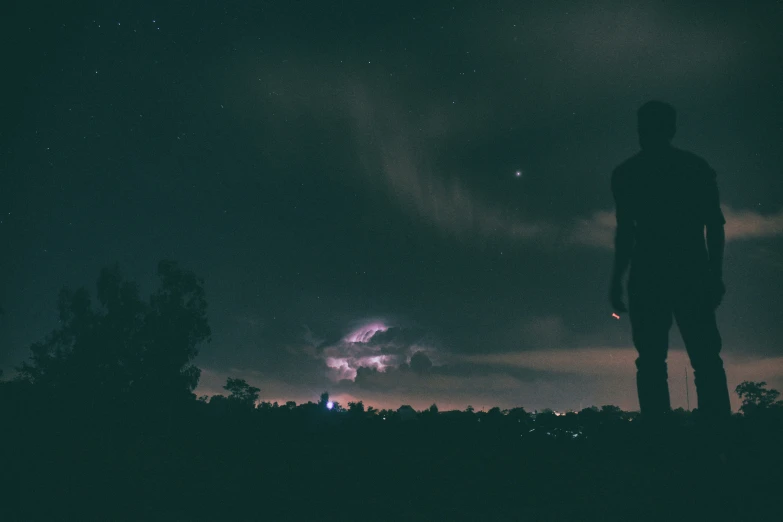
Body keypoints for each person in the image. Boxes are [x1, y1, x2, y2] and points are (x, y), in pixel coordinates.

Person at [609, 100, 731, 430]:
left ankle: (660, 441)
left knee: (651, 362)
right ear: (672, 129)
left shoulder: (626, 174)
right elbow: (714, 226)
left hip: (649, 276)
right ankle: (717, 437)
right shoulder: (695, 168)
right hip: (691, 272)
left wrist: (617, 279)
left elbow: (626, 234)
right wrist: (714, 274)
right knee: (705, 360)